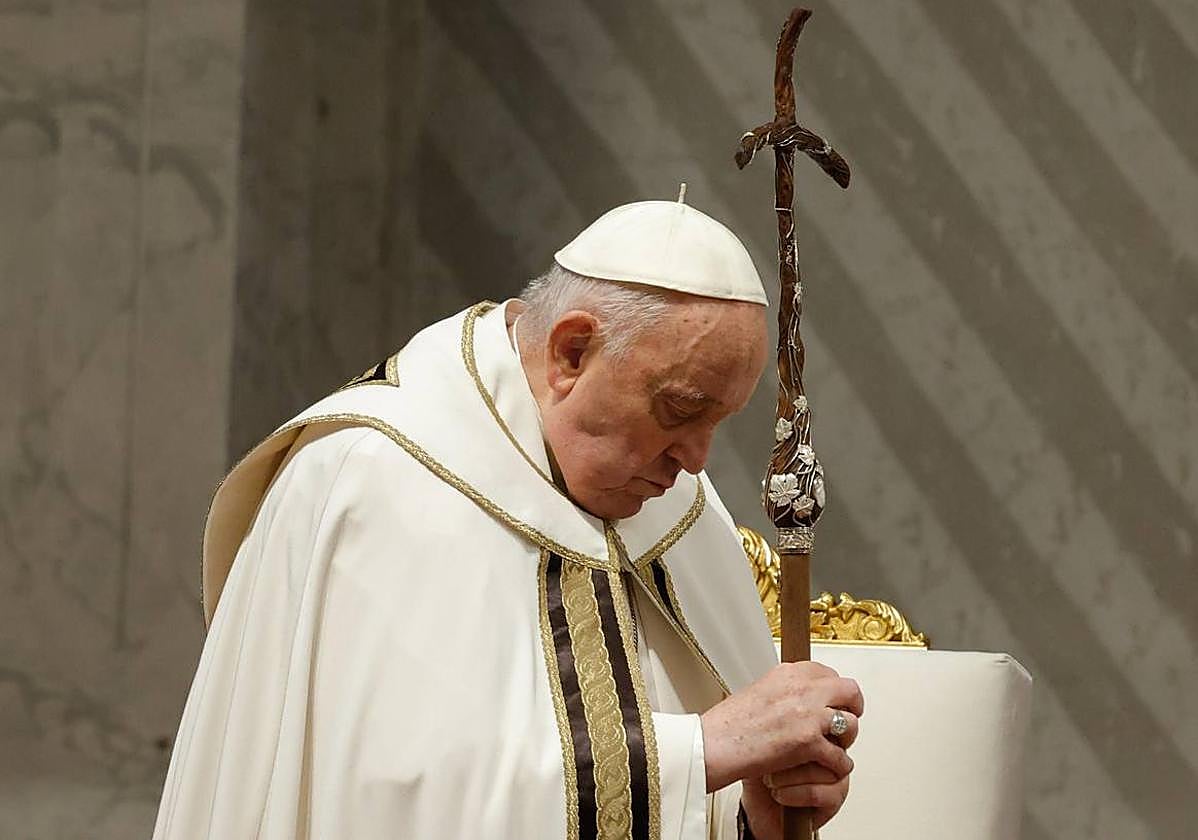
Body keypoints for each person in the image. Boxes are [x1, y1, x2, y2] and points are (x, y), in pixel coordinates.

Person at [152, 197, 864, 840]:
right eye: (678, 410)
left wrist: (751, 819)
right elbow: (392, 806)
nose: (697, 461)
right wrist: (703, 753)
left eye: (720, 422)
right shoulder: (376, 482)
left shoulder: (677, 512)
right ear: (571, 351)